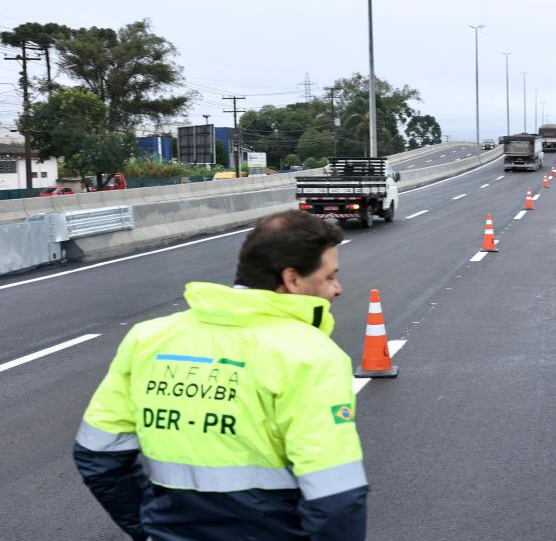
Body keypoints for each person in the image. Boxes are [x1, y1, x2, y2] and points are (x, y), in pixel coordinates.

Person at [74, 210, 368, 541]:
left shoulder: (149, 338)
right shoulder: (310, 356)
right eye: (330, 277)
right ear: (293, 279)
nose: (338, 288)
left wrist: (149, 530)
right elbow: (337, 498)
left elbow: (98, 455)